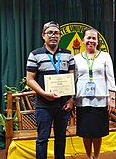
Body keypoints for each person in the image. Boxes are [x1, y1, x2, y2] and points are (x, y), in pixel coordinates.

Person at [26, 21, 75, 159]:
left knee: (61, 137)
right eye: (50, 33)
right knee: (42, 138)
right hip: (44, 105)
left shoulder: (68, 54)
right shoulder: (35, 54)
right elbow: (30, 79)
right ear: (43, 35)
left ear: (60, 36)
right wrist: (44, 94)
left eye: (56, 33)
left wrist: (71, 99)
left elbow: (72, 78)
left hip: (63, 105)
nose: (53, 35)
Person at [74, 28, 116, 159]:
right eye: (88, 38)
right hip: (82, 100)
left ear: (98, 41)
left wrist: (112, 98)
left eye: (94, 38)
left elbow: (110, 77)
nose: (91, 41)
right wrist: (71, 98)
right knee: (86, 131)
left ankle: (97, 156)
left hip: (100, 100)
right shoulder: (76, 58)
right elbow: (74, 79)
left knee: (97, 131)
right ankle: (88, 156)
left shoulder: (105, 56)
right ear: (83, 41)